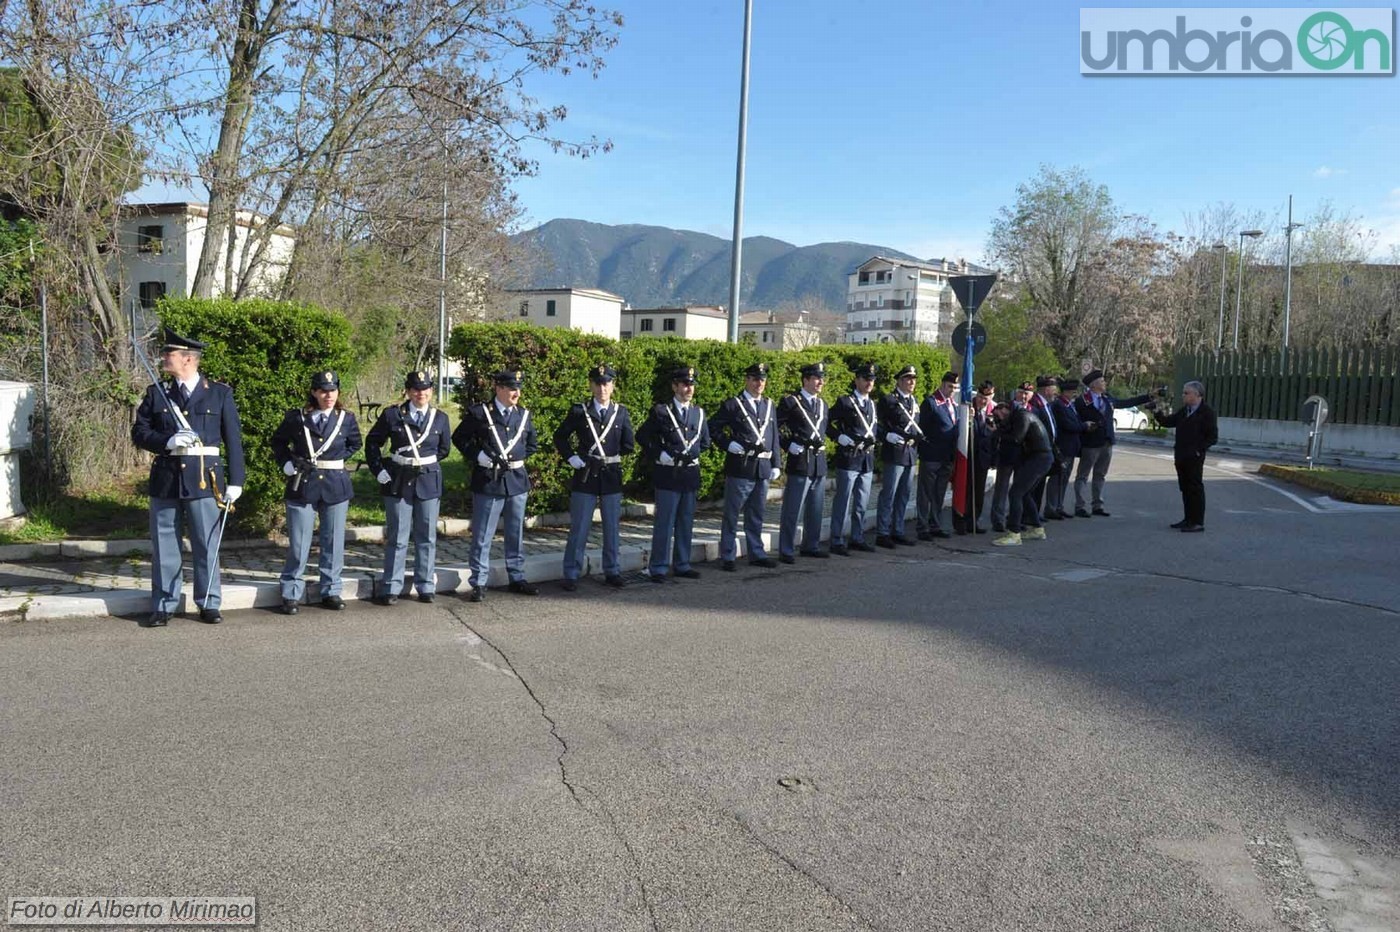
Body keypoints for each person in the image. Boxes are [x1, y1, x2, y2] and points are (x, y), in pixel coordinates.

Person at [130, 328, 246, 627]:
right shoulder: (157, 393)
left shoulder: (219, 393)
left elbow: (233, 440)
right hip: (167, 478)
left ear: (188, 359)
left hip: (204, 478)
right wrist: (167, 442)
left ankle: (208, 600)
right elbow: (140, 433)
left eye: (169, 353)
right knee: (165, 543)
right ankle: (164, 603)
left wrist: (236, 481)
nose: (163, 358)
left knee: (206, 544)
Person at [270, 370, 363, 614]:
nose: (328, 395)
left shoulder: (346, 419)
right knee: (299, 543)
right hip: (303, 484)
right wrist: (286, 463)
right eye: (323, 391)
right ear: (314, 392)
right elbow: (277, 442)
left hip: (335, 484)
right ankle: (291, 592)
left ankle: (331, 590)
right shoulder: (297, 417)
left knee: (333, 541)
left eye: (332, 390)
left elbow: (355, 443)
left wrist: (336, 460)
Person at [453, 369, 541, 602]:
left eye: (518, 388)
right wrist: (479, 455)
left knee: (515, 532)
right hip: (489, 480)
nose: (516, 393)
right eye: (512, 388)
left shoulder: (523, 415)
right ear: (498, 388)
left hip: (516, 480)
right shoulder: (481, 413)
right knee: (483, 534)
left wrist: (514, 459)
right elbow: (460, 438)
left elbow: (532, 444)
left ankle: (516, 576)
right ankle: (479, 581)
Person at [365, 370, 452, 605]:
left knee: (427, 536)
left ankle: (425, 585)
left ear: (431, 390)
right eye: (415, 389)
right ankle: (392, 585)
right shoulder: (393, 415)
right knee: (398, 537)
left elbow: (444, 450)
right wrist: (378, 470)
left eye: (424, 389)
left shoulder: (441, 418)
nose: (420, 393)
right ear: (408, 391)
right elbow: (373, 442)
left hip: (427, 480)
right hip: (399, 479)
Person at [553, 364, 636, 590]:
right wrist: (571, 457)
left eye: (607, 383)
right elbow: (560, 437)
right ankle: (571, 573)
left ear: (613, 385)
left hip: (610, 474)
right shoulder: (580, 411)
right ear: (591, 385)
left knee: (612, 527)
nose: (602, 388)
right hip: (586, 474)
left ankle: (612, 570)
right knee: (579, 526)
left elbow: (628, 445)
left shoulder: (621, 412)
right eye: (598, 383)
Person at [637, 365, 710, 582]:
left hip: (689, 474)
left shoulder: (699, 413)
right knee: (664, 523)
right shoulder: (661, 411)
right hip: (668, 474)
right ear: (674, 386)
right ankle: (658, 567)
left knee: (686, 522)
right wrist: (660, 454)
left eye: (691, 384)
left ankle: (682, 564)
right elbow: (643, 436)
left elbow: (705, 442)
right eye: (685, 384)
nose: (689, 388)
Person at [710, 362, 781, 570]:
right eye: (755, 379)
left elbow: (774, 436)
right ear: (747, 380)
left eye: (763, 379)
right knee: (732, 513)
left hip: (762, 467)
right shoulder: (734, 404)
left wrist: (777, 463)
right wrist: (727, 444)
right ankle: (728, 555)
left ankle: (756, 552)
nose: (760, 383)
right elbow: (713, 427)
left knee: (757, 513)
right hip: (741, 466)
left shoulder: (769, 405)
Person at [1072, 369, 1153, 518]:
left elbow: (1125, 403)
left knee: (1100, 475)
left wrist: (1147, 397)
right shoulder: (1082, 401)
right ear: (1094, 385)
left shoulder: (1107, 398)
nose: (1105, 384)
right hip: (1091, 442)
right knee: (1083, 475)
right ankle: (1080, 506)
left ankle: (1098, 505)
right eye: (1102, 381)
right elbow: (1075, 419)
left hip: (1106, 442)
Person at [777, 361, 830, 562]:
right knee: (793, 508)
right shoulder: (791, 402)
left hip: (819, 461)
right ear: (806, 379)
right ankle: (786, 549)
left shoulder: (822, 404)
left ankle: (811, 545)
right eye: (817, 378)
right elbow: (775, 427)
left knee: (816, 508)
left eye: (821, 378)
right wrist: (787, 444)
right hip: (800, 459)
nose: (821, 382)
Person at [1148, 380, 1218, 532]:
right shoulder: (1184, 410)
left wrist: (1199, 450)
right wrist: (1156, 412)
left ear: (1197, 394)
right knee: (1185, 488)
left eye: (1186, 393)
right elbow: (1168, 422)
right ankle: (1188, 519)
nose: (1183, 395)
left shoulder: (1207, 412)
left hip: (1194, 457)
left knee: (1195, 488)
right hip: (1181, 455)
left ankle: (1197, 522)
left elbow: (1213, 437)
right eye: (1184, 392)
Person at [826, 362, 880, 555]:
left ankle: (857, 537)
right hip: (849, 457)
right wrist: (838, 437)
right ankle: (837, 539)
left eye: (872, 380)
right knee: (843, 499)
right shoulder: (845, 402)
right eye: (866, 379)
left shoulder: (872, 404)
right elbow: (825, 421)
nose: (869, 383)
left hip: (866, 458)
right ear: (857, 380)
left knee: (862, 502)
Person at [991, 401, 1055, 547]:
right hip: (1040, 458)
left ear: (1005, 409)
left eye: (999, 414)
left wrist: (997, 431)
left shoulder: (1022, 416)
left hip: (1039, 457)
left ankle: (1014, 533)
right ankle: (1037, 528)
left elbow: (1016, 438)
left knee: (1016, 493)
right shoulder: (1020, 415)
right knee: (1025, 494)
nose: (999, 417)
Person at [875, 364, 921, 548]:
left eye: (913, 379)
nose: (912, 382)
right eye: (908, 378)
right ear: (899, 380)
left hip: (910, 452)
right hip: (895, 451)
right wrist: (886, 435)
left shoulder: (914, 401)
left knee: (904, 494)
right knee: (889, 493)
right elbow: (876, 424)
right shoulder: (888, 400)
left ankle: (898, 530)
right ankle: (883, 532)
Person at [916, 370, 960, 540]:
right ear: (942, 384)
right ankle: (922, 527)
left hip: (947, 457)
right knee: (926, 493)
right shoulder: (931, 402)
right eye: (950, 386)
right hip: (931, 456)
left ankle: (935, 524)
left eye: (955, 387)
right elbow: (923, 429)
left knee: (939, 493)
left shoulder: (954, 405)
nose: (952, 390)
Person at [988, 381, 1033, 532]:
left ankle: (1016, 519)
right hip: (1007, 453)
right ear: (1016, 393)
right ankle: (998, 520)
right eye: (1021, 392)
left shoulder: (1033, 410)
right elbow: (997, 426)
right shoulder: (1006, 408)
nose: (1023, 396)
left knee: (1020, 490)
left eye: (1026, 393)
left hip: (1024, 455)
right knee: (1002, 488)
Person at [1048, 377, 1086, 520]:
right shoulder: (1059, 406)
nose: (1074, 394)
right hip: (1063, 447)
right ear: (1065, 392)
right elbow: (1068, 425)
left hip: (1071, 447)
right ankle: (1051, 507)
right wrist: (1084, 426)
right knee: (1057, 479)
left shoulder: (1070, 405)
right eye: (1072, 391)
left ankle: (1059, 506)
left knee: (1064, 479)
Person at [1028, 375, 1060, 521]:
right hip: (1036, 453)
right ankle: (1029, 516)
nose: (1056, 393)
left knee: (1040, 485)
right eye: (1054, 389)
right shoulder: (1035, 405)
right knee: (1033, 486)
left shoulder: (1046, 404)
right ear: (1046, 390)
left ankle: (1035, 514)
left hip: (1046, 451)